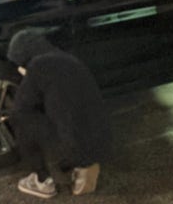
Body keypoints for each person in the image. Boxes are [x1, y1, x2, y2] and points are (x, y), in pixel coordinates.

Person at [7, 29, 111, 199]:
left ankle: (42, 181)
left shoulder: (37, 66)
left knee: (20, 117)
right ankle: (85, 167)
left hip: (70, 148)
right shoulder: (70, 59)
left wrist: (28, 77)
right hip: (102, 142)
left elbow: (21, 107)